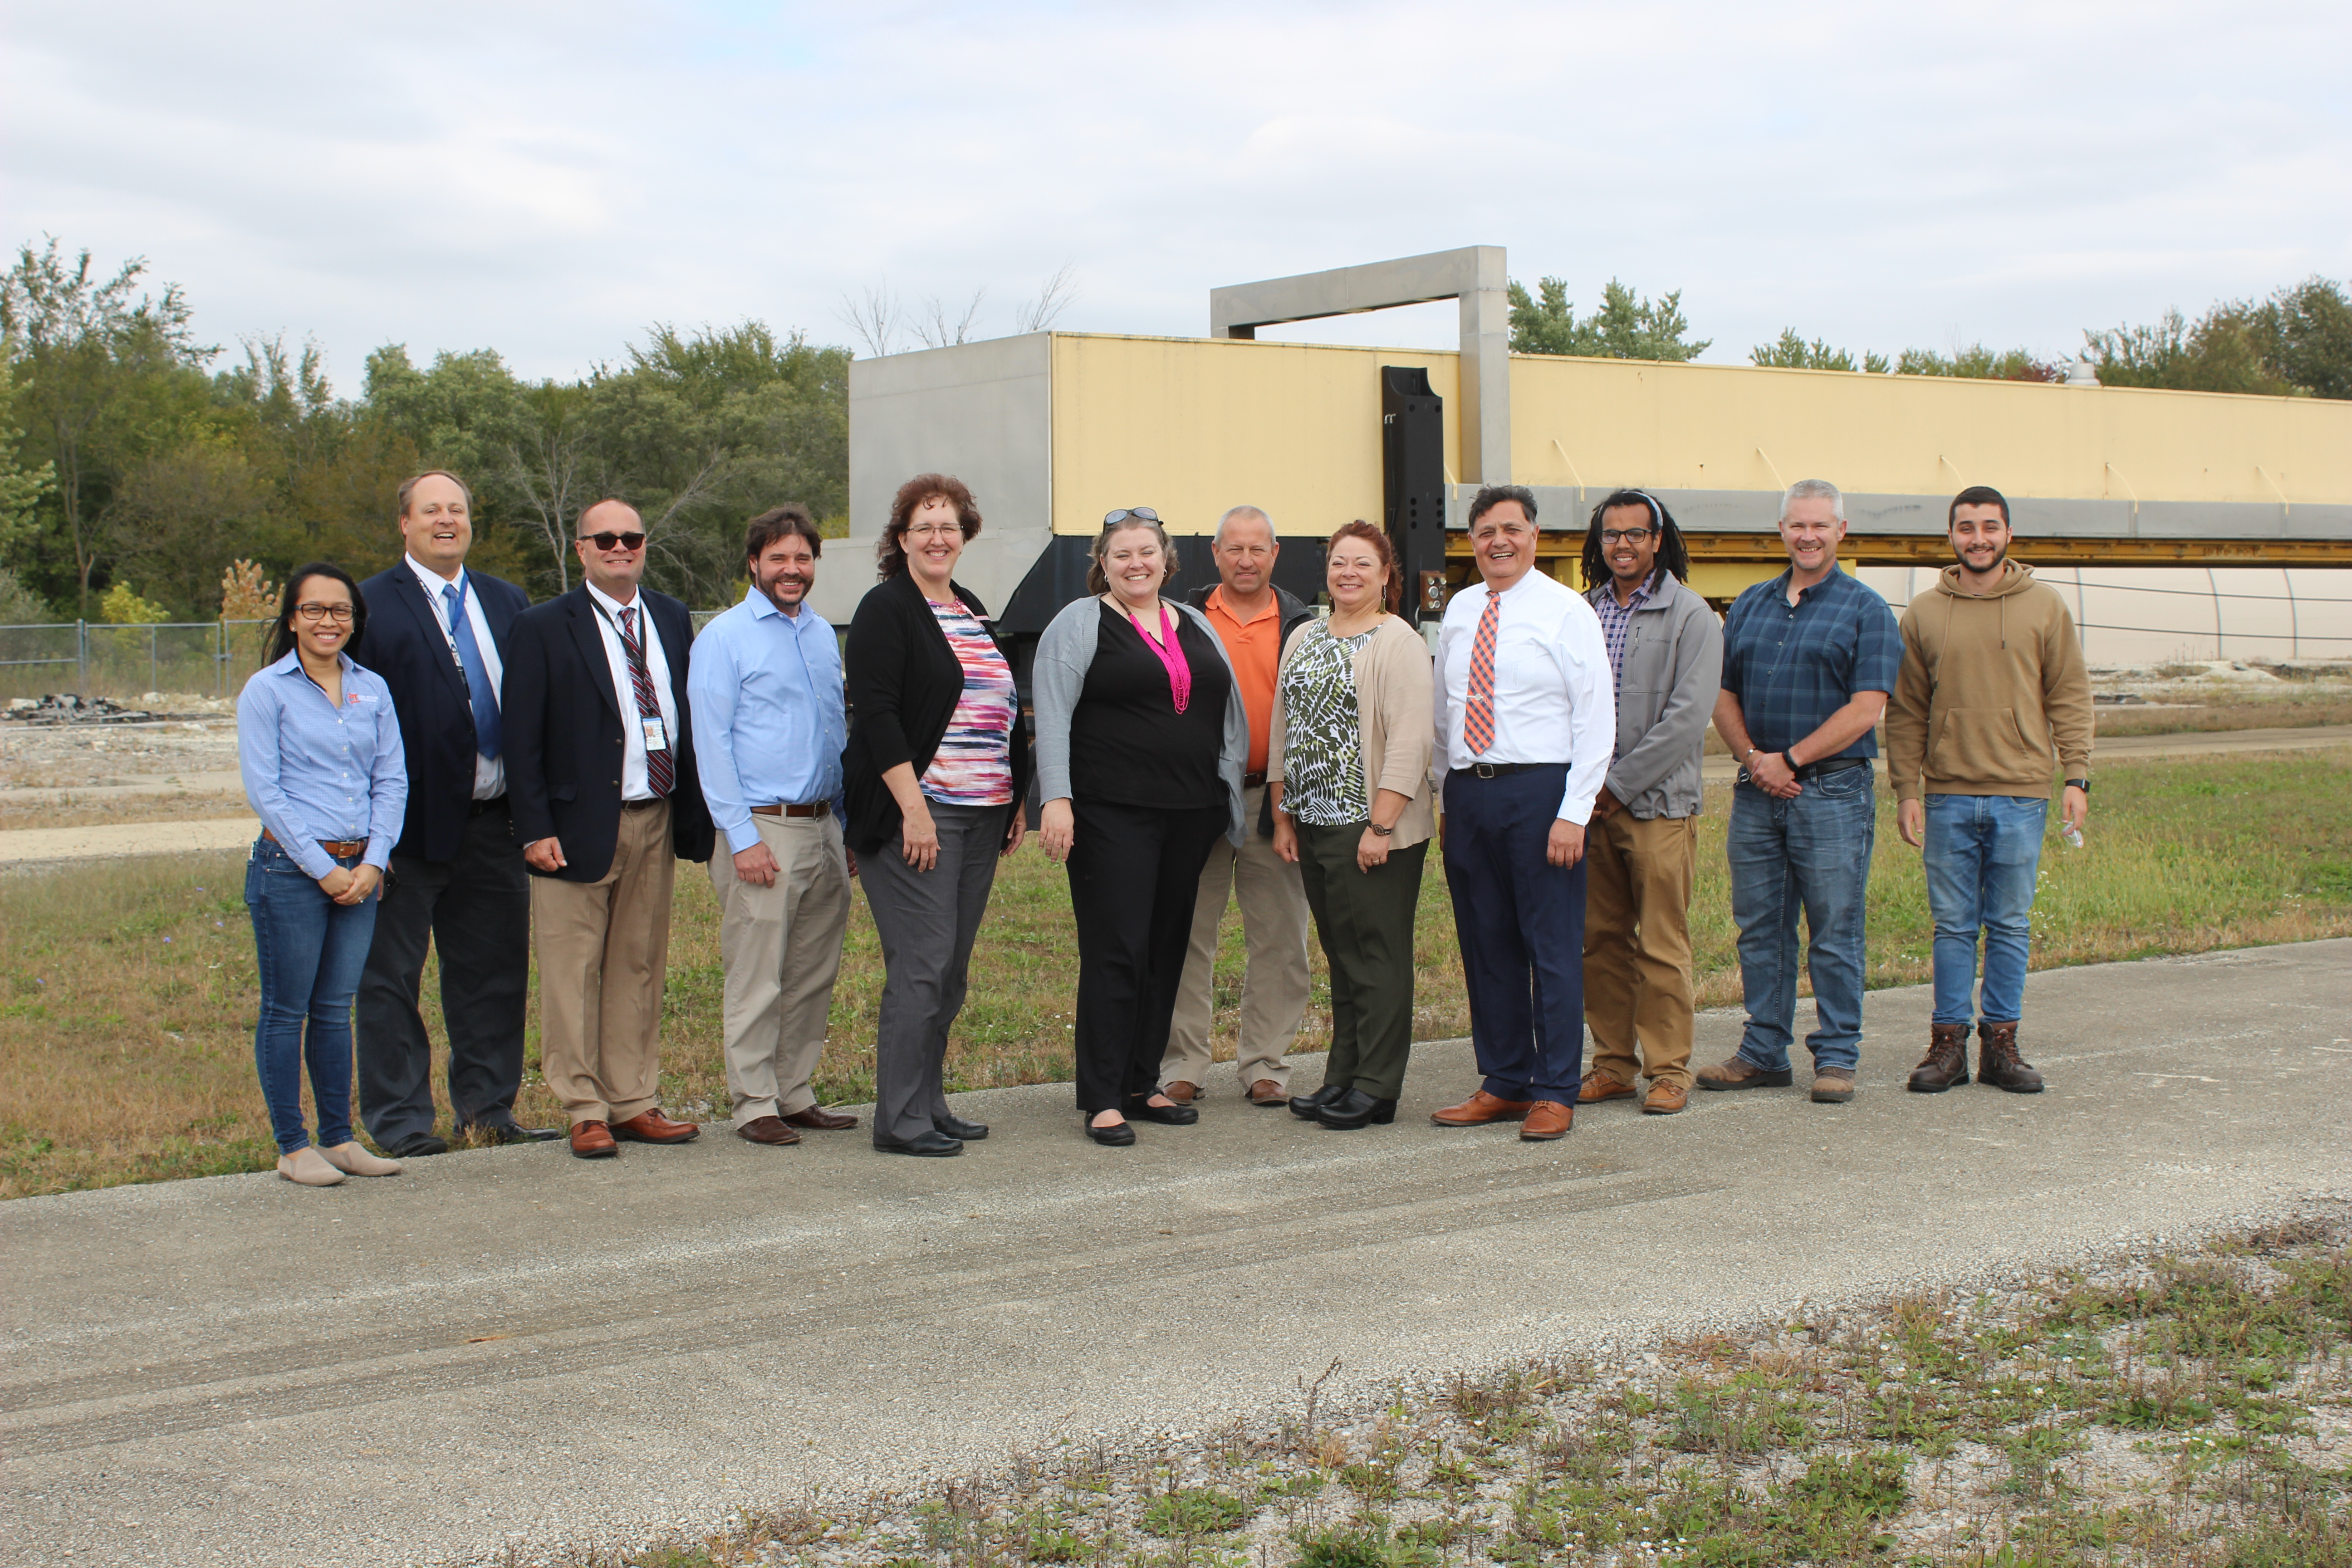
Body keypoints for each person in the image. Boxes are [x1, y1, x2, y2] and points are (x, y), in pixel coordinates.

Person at [504, 500, 716, 1160]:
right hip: (573, 828)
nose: (619, 547)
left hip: (654, 814)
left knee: (638, 965)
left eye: (631, 537)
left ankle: (632, 1100)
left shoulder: (673, 618)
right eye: (606, 539)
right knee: (572, 972)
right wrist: (533, 826)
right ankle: (584, 1107)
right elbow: (521, 734)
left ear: (645, 545)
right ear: (582, 548)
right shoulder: (542, 627)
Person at [353, 470, 553, 1159]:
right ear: (403, 524)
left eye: (458, 510)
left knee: (493, 977)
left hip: (493, 826)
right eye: (431, 510)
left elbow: (530, 714)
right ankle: (402, 1122)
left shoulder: (507, 602)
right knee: (389, 982)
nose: (447, 520)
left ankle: (488, 1110)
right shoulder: (371, 607)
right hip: (405, 833)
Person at [1034, 509, 1248, 1146]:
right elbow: (1052, 713)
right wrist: (1057, 799)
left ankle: (1140, 1082)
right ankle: (1102, 1096)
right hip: (1109, 815)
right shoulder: (1079, 623)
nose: (1136, 564)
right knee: (1116, 950)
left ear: (1166, 558)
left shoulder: (1197, 624)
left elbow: (1225, 712)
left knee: (1164, 951)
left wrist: (1227, 793)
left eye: (1146, 552)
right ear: (1103, 561)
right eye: (1121, 554)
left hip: (1189, 816)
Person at [843, 475, 1033, 1156]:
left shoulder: (972, 608)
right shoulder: (885, 610)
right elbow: (879, 716)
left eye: (949, 526)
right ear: (902, 540)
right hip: (916, 820)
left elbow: (1004, 710)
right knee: (922, 963)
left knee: (950, 970)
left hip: (982, 816)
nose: (937, 538)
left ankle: (928, 1101)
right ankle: (898, 1118)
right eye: (924, 527)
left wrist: (1013, 801)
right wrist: (914, 811)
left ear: (965, 536)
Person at [1889, 485, 2093, 1095]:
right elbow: (1905, 710)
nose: (1979, 537)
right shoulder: (1924, 611)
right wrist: (1907, 788)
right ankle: (1946, 1045)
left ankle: (2000, 1045)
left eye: (1990, 527)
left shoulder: (2045, 606)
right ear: (1951, 535)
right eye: (1967, 527)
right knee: (1952, 924)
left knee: (2008, 922)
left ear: (2008, 533)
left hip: (2021, 795)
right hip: (1948, 795)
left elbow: (2070, 695)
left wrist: (2076, 776)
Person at [1703, 479, 1901, 1105]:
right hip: (1757, 792)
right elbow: (1723, 691)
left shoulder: (1867, 611)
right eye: (1797, 525)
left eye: (1820, 526)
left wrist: (1789, 758)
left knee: (1834, 929)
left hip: (1833, 792)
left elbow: (1868, 707)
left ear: (1840, 531)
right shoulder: (1751, 605)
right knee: (1761, 928)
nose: (1808, 536)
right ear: (1782, 530)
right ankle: (1764, 1051)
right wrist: (1754, 760)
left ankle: (1837, 1055)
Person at [1429, 485, 1614, 1142]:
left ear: (1535, 536)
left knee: (1552, 946)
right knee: (1487, 943)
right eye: (1484, 531)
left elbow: (1596, 719)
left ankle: (1555, 1087)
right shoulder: (1459, 608)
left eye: (1511, 528)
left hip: (1541, 792)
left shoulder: (1567, 612)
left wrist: (1575, 812)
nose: (1497, 541)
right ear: (1470, 542)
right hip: (1470, 791)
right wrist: (1445, 792)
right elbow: (1444, 710)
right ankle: (1505, 1079)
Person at [688, 504, 863, 1150]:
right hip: (763, 827)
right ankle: (753, 1100)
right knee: (758, 973)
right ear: (754, 563)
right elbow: (712, 745)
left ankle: (795, 1092)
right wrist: (742, 839)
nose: (791, 570)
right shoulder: (724, 638)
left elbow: (832, 733)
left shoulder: (820, 633)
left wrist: (842, 828)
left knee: (813, 970)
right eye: (778, 558)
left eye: (802, 558)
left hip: (823, 825)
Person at [237, 563, 409, 1187]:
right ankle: (292, 1145)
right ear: (292, 619)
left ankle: (338, 1138)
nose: (328, 621)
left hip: (362, 869)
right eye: (314, 610)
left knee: (336, 1009)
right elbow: (267, 791)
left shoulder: (373, 690)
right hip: (291, 870)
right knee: (288, 1010)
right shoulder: (267, 691)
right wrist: (323, 870)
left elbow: (391, 780)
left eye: (340, 611)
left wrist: (372, 861)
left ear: (354, 620)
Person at [1269, 522, 1434, 1130]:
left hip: (1368, 826)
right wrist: (1282, 814)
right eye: (1340, 562)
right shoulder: (1305, 636)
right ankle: (1343, 1075)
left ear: (1386, 574)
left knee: (1378, 956)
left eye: (1363, 564)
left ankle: (1377, 1085)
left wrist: (1383, 824)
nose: (1349, 573)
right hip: (1313, 821)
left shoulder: (1398, 642)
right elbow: (1284, 729)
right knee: (1342, 956)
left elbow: (1413, 739)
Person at [1574, 491, 1723, 1118]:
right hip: (1587, 808)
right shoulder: (1582, 611)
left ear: (1657, 539)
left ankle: (1669, 1070)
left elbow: (1688, 719)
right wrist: (1585, 791)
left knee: (1662, 942)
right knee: (1599, 940)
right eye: (1612, 536)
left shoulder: (1692, 616)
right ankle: (1612, 1065)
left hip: (1657, 806)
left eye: (1635, 534)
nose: (1623, 546)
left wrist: (1618, 786)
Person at [1166, 505, 1316, 1108]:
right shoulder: (1184, 619)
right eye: (1235, 549)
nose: (1247, 560)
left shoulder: (1304, 624)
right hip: (1200, 799)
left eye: (1258, 549)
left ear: (1275, 554)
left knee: (1281, 939)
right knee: (1186, 935)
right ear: (1216, 555)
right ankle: (1182, 1064)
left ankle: (1266, 1066)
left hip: (1273, 801)